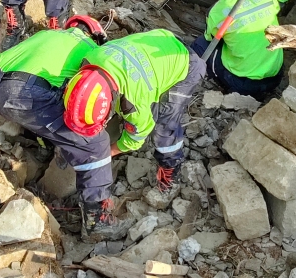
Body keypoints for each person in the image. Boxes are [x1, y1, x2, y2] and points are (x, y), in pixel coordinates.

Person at [0, 15, 122, 235]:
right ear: (96, 36)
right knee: (96, 144)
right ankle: (97, 221)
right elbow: (90, 95)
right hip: (24, 94)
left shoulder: (46, 34)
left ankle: (45, 147)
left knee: (54, 101)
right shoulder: (92, 49)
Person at [63, 29, 206, 236]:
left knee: (164, 126)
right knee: (151, 100)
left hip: (183, 63)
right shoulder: (89, 60)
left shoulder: (134, 103)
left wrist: (108, 153)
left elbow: (135, 139)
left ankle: (170, 171)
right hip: (158, 40)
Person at [191, 0, 289, 97]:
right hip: (275, 77)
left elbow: (211, 40)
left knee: (199, 45)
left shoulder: (216, 12)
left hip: (243, 84)